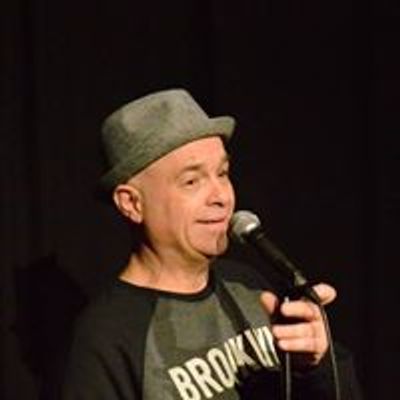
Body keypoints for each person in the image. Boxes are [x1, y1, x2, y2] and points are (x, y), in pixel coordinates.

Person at [61, 89, 362, 399]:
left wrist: (316, 367)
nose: (221, 196)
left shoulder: (248, 286)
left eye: (222, 173)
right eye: (192, 181)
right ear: (132, 203)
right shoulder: (106, 336)